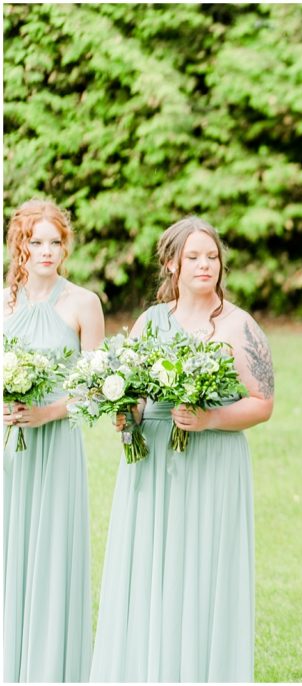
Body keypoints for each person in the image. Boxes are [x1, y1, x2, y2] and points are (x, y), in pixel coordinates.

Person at [90, 216, 274, 682]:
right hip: (152, 464)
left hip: (212, 464)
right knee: (152, 573)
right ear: (172, 264)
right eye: (193, 256)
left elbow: (263, 403)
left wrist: (210, 419)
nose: (204, 265)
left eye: (211, 256)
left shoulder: (239, 326)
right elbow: (134, 396)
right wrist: (124, 415)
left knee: (200, 574)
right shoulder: (151, 323)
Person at [2, 200, 104, 682]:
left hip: (58, 447)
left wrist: (47, 412)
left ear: (66, 247)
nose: (46, 251)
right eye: (35, 241)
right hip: (10, 451)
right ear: (18, 246)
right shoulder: (3, 302)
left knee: (53, 557)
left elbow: (97, 389)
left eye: (54, 242)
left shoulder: (84, 303)